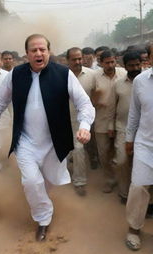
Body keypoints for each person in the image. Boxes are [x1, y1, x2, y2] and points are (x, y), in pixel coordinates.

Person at [0, 34, 95, 241]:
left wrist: (85, 126)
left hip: (54, 142)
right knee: (32, 181)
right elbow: (0, 100)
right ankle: (44, 219)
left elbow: (85, 104)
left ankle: (41, 203)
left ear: (49, 52)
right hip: (25, 141)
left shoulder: (64, 74)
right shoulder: (15, 74)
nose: (38, 53)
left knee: (48, 182)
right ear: (27, 54)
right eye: (33, 50)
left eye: (42, 49)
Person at [125, 44, 153, 251]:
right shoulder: (141, 81)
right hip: (145, 144)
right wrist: (129, 139)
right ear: (149, 59)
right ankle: (134, 229)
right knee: (138, 187)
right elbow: (134, 113)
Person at [108, 51, 142, 203]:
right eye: (131, 65)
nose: (135, 68)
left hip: (145, 130)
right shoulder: (118, 84)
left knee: (143, 164)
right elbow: (112, 107)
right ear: (124, 66)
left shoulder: (148, 81)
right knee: (122, 161)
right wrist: (111, 126)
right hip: (123, 128)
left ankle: (146, 199)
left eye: (137, 64)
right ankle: (124, 193)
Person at [92, 50, 126, 193]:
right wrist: (96, 102)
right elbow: (89, 99)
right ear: (101, 63)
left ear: (116, 60)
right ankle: (109, 180)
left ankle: (123, 181)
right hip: (101, 121)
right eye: (107, 63)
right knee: (104, 154)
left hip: (120, 122)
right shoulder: (95, 77)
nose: (110, 65)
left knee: (121, 155)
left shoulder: (124, 73)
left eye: (113, 62)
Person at [66, 47, 96, 196]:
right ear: (68, 60)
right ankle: (61, 178)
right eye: (74, 59)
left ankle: (79, 182)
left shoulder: (92, 75)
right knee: (64, 151)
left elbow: (96, 95)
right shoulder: (61, 75)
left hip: (81, 122)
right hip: (62, 120)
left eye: (80, 58)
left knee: (78, 150)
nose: (78, 62)